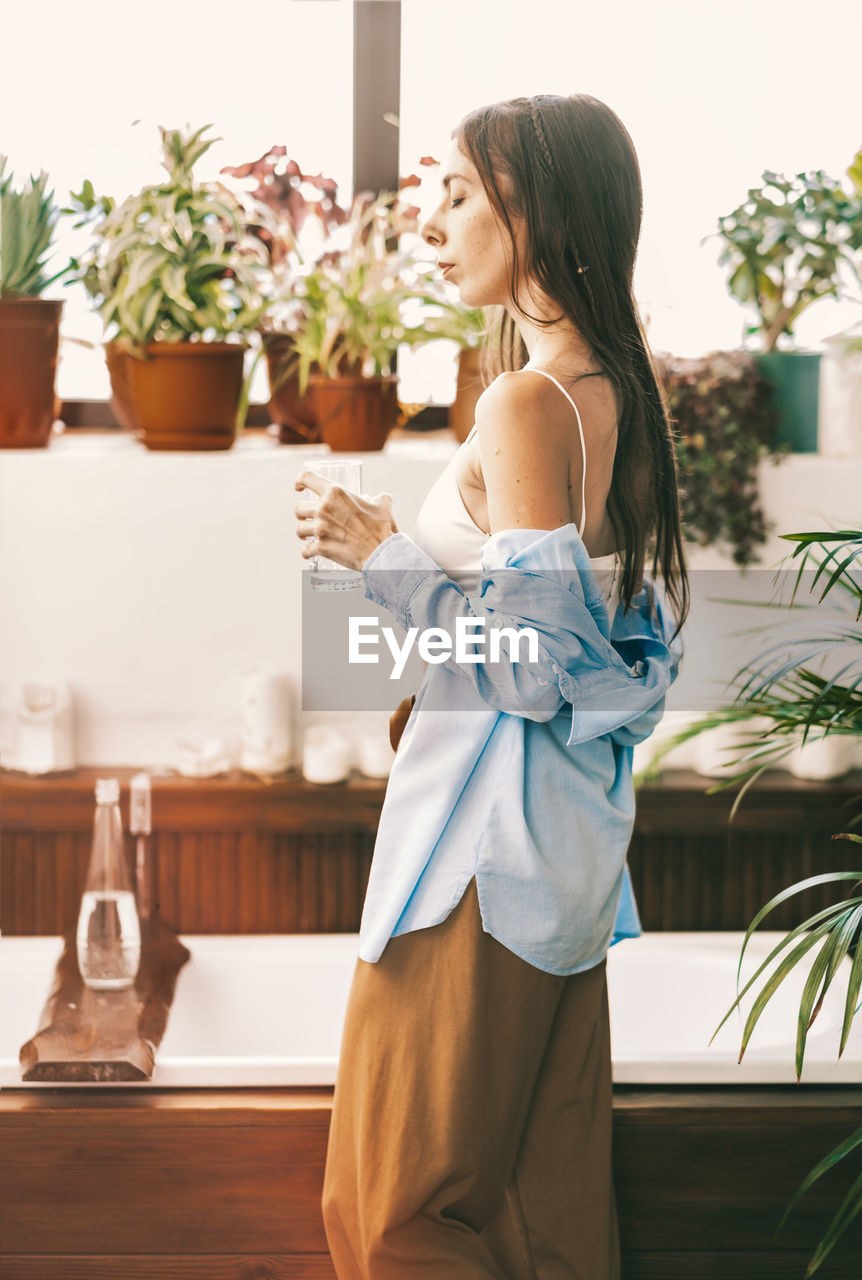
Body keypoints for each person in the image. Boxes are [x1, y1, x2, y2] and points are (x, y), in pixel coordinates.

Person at [294, 92, 688, 1280]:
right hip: (559, 863)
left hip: (479, 861)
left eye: (460, 191)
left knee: (399, 1213)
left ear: (542, 208)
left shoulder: (528, 400)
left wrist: (385, 559)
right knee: (539, 1215)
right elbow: (602, 654)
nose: (432, 222)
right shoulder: (616, 388)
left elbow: (529, 668)